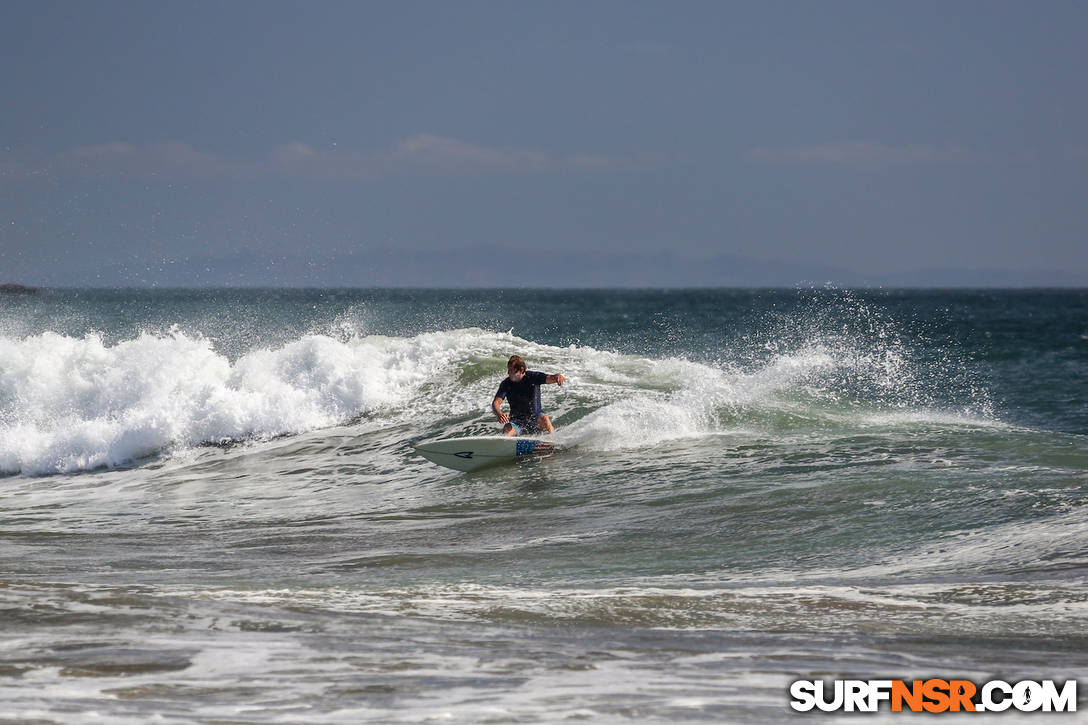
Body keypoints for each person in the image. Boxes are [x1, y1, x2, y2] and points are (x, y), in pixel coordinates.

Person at [491, 355, 566, 436]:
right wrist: (499, 414)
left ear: (521, 369)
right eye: (508, 370)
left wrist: (557, 376)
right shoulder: (506, 384)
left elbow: (550, 378)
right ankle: (507, 444)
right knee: (507, 427)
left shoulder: (533, 377)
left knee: (544, 418)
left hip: (536, 420)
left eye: (511, 370)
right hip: (517, 422)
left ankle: (552, 442)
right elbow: (496, 403)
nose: (508, 373)